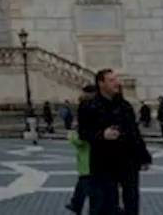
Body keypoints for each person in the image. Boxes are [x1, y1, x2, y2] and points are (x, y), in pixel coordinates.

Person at [77, 68, 150, 214]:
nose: (117, 83)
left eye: (116, 79)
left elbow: (134, 132)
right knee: (105, 202)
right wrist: (102, 135)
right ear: (101, 83)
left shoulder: (125, 106)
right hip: (103, 161)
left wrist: (143, 156)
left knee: (132, 199)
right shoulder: (89, 106)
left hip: (127, 159)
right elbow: (83, 133)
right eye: (111, 80)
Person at [65, 84, 95, 214]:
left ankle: (77, 205)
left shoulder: (87, 107)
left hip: (89, 158)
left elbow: (81, 138)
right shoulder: (92, 106)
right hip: (89, 158)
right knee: (85, 185)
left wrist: (72, 137)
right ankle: (76, 204)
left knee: (87, 185)